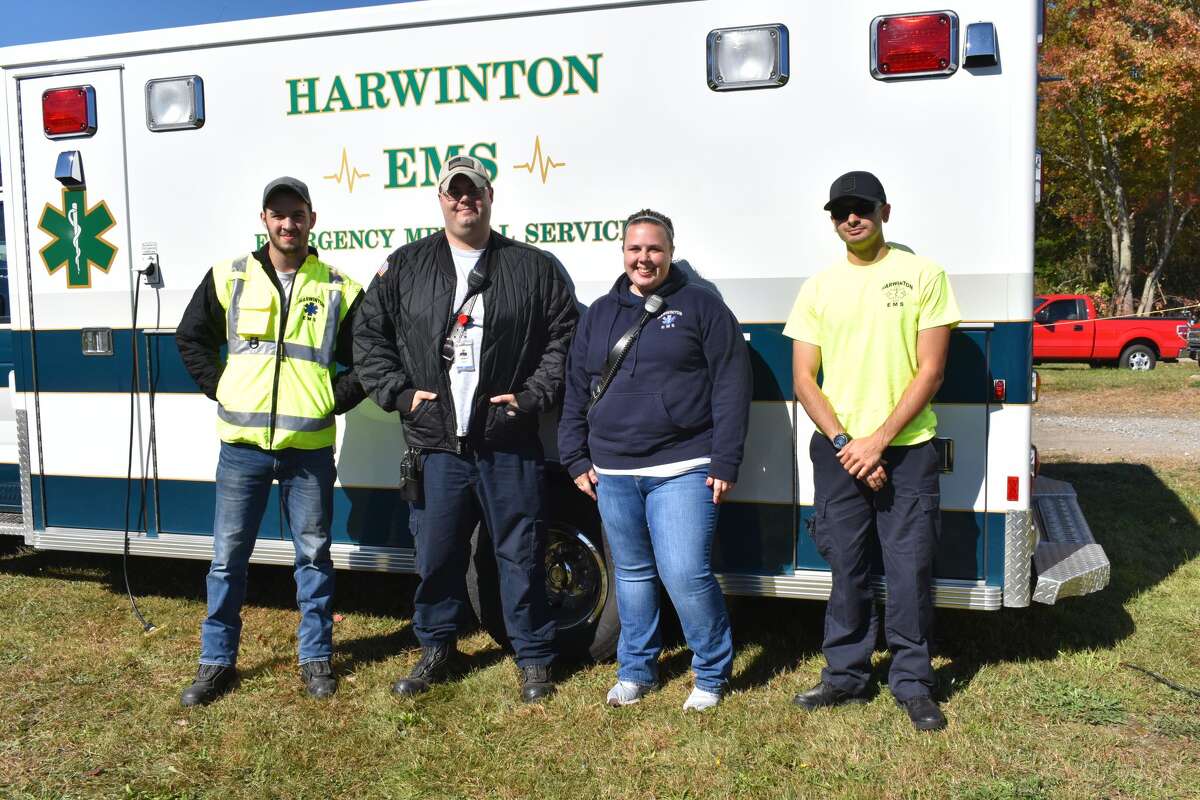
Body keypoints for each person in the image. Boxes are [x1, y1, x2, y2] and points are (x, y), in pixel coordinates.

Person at [353, 155, 578, 703]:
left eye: (473, 191)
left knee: (520, 553)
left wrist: (529, 399)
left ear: (489, 196)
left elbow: (563, 337)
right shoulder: (405, 266)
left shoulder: (534, 266)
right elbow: (368, 336)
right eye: (454, 192)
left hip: (507, 443)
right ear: (440, 199)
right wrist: (401, 396)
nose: (464, 200)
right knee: (436, 554)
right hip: (435, 445)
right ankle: (437, 647)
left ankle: (533, 657)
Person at [175, 176, 365, 705]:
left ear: (312, 218)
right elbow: (190, 338)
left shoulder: (337, 287)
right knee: (227, 559)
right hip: (242, 448)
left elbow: (371, 360)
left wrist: (330, 395)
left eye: (297, 213)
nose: (288, 223)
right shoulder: (228, 277)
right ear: (264, 220)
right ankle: (215, 663)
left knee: (313, 556)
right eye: (278, 214)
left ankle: (316, 658)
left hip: (308, 447)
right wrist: (222, 386)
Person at [785, 171, 960, 731]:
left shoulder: (922, 274)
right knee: (847, 567)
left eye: (861, 208)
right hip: (839, 454)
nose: (851, 218)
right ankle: (845, 677)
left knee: (909, 570)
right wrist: (846, 444)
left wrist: (877, 442)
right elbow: (805, 380)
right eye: (840, 211)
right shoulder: (818, 287)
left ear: (885, 210)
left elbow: (931, 371)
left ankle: (912, 683)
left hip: (906, 450)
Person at [558, 209, 751, 712]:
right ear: (623, 252)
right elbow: (578, 387)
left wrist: (726, 461)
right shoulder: (599, 313)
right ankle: (636, 669)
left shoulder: (702, 307)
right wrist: (574, 453)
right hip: (613, 470)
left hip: (683, 466)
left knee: (684, 572)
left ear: (670, 251)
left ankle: (709, 673)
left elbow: (732, 385)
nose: (644, 259)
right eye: (635, 249)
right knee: (633, 575)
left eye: (655, 249)